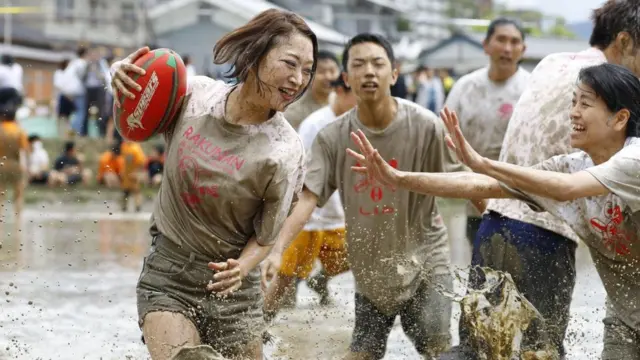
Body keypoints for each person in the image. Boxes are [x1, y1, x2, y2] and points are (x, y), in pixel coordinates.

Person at [348, 62, 640, 360]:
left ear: (619, 119)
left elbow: (565, 188)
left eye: (585, 103)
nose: (573, 112)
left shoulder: (635, 159)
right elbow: (484, 185)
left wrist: (483, 162)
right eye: (573, 101)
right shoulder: (572, 165)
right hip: (623, 315)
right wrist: (399, 179)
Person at [109, 9, 315, 360]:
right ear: (254, 54)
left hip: (234, 292)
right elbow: (137, 113)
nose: (298, 79)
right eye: (290, 63)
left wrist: (243, 267)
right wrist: (120, 79)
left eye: (307, 70)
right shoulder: (194, 98)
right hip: (169, 274)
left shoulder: (286, 150)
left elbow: (266, 237)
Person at [261, 33, 477, 360]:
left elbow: (461, 182)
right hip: (371, 273)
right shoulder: (332, 137)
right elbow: (307, 199)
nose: (369, 72)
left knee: (438, 350)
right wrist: (276, 250)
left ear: (394, 73)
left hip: (426, 263)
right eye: (358, 65)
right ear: (346, 78)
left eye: (378, 63)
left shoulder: (425, 126)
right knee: (362, 354)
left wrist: (497, 213)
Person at [449, 2, 640, 356]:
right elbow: (571, 185)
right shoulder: (606, 87)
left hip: (493, 222)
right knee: (542, 352)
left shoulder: (551, 62)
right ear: (625, 42)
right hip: (546, 232)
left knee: (479, 350)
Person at [264, 73, 357, 317]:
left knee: (358, 256)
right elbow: (299, 170)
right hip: (308, 217)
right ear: (343, 92)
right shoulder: (317, 124)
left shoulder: (353, 121)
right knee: (283, 277)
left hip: (336, 215)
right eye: (358, 97)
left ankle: (318, 281)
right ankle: (260, 322)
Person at [444, 18, 530, 244]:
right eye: (501, 40)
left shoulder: (532, 89)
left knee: (519, 271)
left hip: (521, 200)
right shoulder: (464, 87)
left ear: (523, 49)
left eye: (514, 41)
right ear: (486, 45)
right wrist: (471, 189)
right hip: (473, 195)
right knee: (482, 267)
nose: (507, 48)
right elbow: (446, 140)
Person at [283, 50, 340, 130]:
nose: (328, 76)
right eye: (321, 71)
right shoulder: (295, 110)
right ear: (310, 75)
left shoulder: (344, 103)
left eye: (332, 71)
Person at [0, 88, 28, 222]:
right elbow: (23, 151)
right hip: (16, 164)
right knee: (19, 195)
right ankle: (18, 222)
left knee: (1, 195)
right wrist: (25, 167)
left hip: (1, 164)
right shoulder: (20, 131)